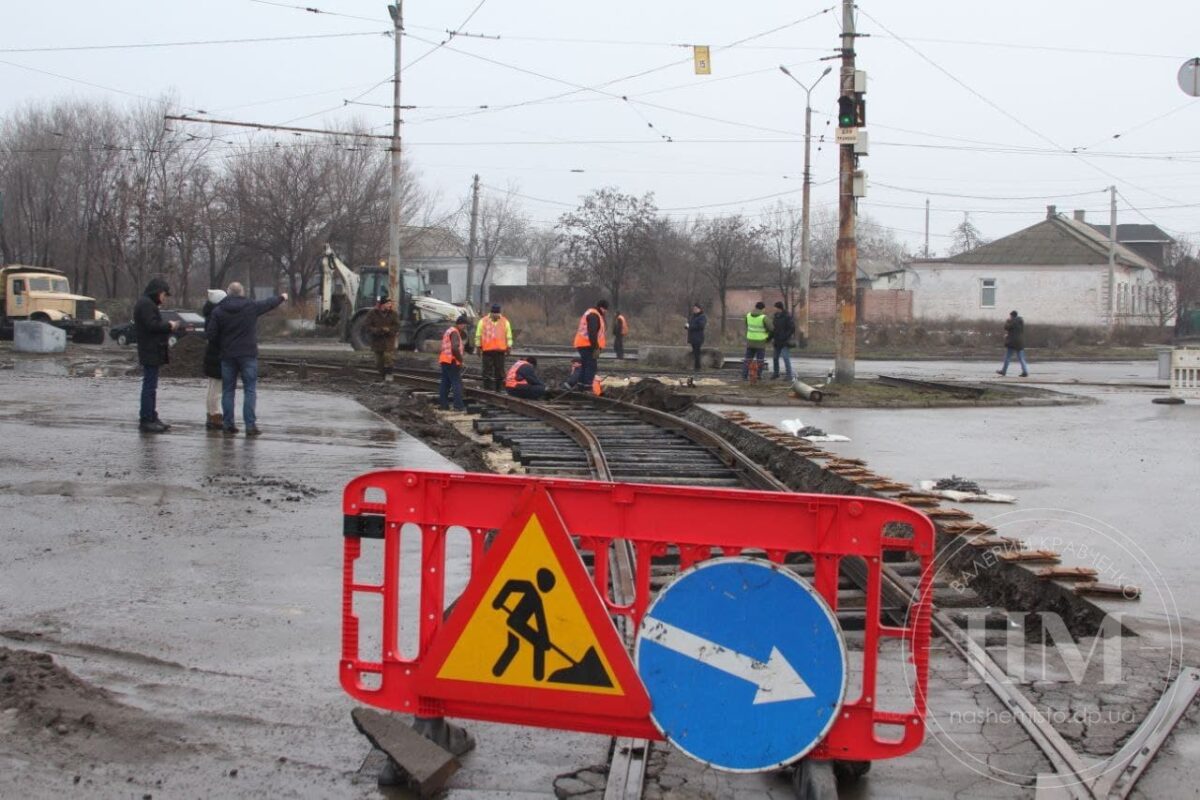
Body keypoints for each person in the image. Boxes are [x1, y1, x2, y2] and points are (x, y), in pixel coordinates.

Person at [207, 282, 287, 436]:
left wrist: (223, 343)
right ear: (242, 292)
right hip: (247, 355)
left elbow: (211, 334)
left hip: (228, 355)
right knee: (249, 390)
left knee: (228, 390)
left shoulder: (218, 311)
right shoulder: (250, 306)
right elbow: (268, 304)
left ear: (228, 293)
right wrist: (282, 297)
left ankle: (228, 424)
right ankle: (250, 426)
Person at [133, 277, 180, 433]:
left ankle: (152, 416)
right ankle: (147, 419)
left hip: (151, 349)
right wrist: (169, 326)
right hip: (150, 350)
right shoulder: (146, 304)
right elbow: (151, 325)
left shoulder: (146, 303)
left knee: (151, 386)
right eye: (164, 295)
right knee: (149, 386)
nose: (164, 298)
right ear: (158, 292)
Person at [567, 300, 608, 391]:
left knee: (585, 364)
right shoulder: (594, 315)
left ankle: (581, 386)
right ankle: (587, 387)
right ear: (602, 308)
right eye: (605, 310)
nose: (605, 312)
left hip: (585, 344)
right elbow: (592, 333)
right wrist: (596, 348)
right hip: (589, 345)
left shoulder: (591, 313)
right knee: (591, 366)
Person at [201, 289, 227, 430]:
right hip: (217, 355)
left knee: (212, 386)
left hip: (211, 354)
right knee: (217, 388)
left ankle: (210, 414)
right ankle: (215, 416)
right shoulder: (216, 316)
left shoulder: (209, 314)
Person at [474, 303, 513, 391]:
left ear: (499, 313)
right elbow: (478, 335)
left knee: (499, 372)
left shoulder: (505, 321)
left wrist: (509, 347)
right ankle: (487, 390)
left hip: (500, 351)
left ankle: (498, 390)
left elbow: (509, 336)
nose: (496, 315)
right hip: (487, 351)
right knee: (486, 372)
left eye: (497, 314)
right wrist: (478, 347)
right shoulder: (483, 321)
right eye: (494, 314)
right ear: (491, 313)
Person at [438, 314, 471, 411]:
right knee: (457, 383)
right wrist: (460, 360)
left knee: (445, 383)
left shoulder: (449, 331)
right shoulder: (455, 332)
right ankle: (458, 406)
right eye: (464, 325)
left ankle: (443, 405)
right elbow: (454, 348)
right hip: (452, 361)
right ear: (460, 324)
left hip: (444, 360)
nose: (465, 327)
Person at [364, 293, 401, 380]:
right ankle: (382, 376)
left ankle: (390, 374)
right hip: (377, 340)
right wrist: (376, 330)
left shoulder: (393, 314)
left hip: (389, 340)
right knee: (378, 362)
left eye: (390, 303)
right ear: (382, 305)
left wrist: (389, 330)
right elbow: (367, 325)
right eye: (388, 303)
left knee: (388, 357)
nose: (390, 305)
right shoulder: (372, 313)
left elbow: (397, 326)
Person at [742, 301, 772, 381]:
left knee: (748, 359)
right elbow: (771, 328)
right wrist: (767, 335)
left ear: (755, 307)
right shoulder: (764, 317)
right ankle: (758, 376)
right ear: (763, 308)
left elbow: (746, 325)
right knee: (760, 360)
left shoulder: (748, 315)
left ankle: (744, 376)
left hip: (750, 341)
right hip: (760, 342)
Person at [997, 310, 1029, 377]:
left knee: (1007, 357)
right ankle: (1025, 371)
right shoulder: (1021, 321)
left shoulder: (1013, 321)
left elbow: (1006, 327)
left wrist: (1008, 321)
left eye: (1010, 316)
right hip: (1020, 342)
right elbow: (1014, 331)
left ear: (1012, 316)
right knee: (1021, 358)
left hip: (1012, 342)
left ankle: (1003, 371)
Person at [770, 301, 796, 381]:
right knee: (775, 357)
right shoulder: (776, 316)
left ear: (779, 308)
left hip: (785, 341)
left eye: (775, 307)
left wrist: (785, 336)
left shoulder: (787, 316)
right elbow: (774, 329)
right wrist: (771, 337)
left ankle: (789, 375)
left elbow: (792, 328)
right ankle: (776, 373)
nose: (774, 309)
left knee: (785, 357)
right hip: (777, 341)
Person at [686, 303, 707, 371]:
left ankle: (697, 367)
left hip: (698, 337)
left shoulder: (702, 317)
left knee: (697, 352)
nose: (694, 310)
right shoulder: (693, 316)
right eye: (694, 309)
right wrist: (687, 326)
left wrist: (690, 327)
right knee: (695, 352)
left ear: (699, 309)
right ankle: (696, 366)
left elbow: (701, 326)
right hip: (692, 337)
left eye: (696, 309)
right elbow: (690, 323)